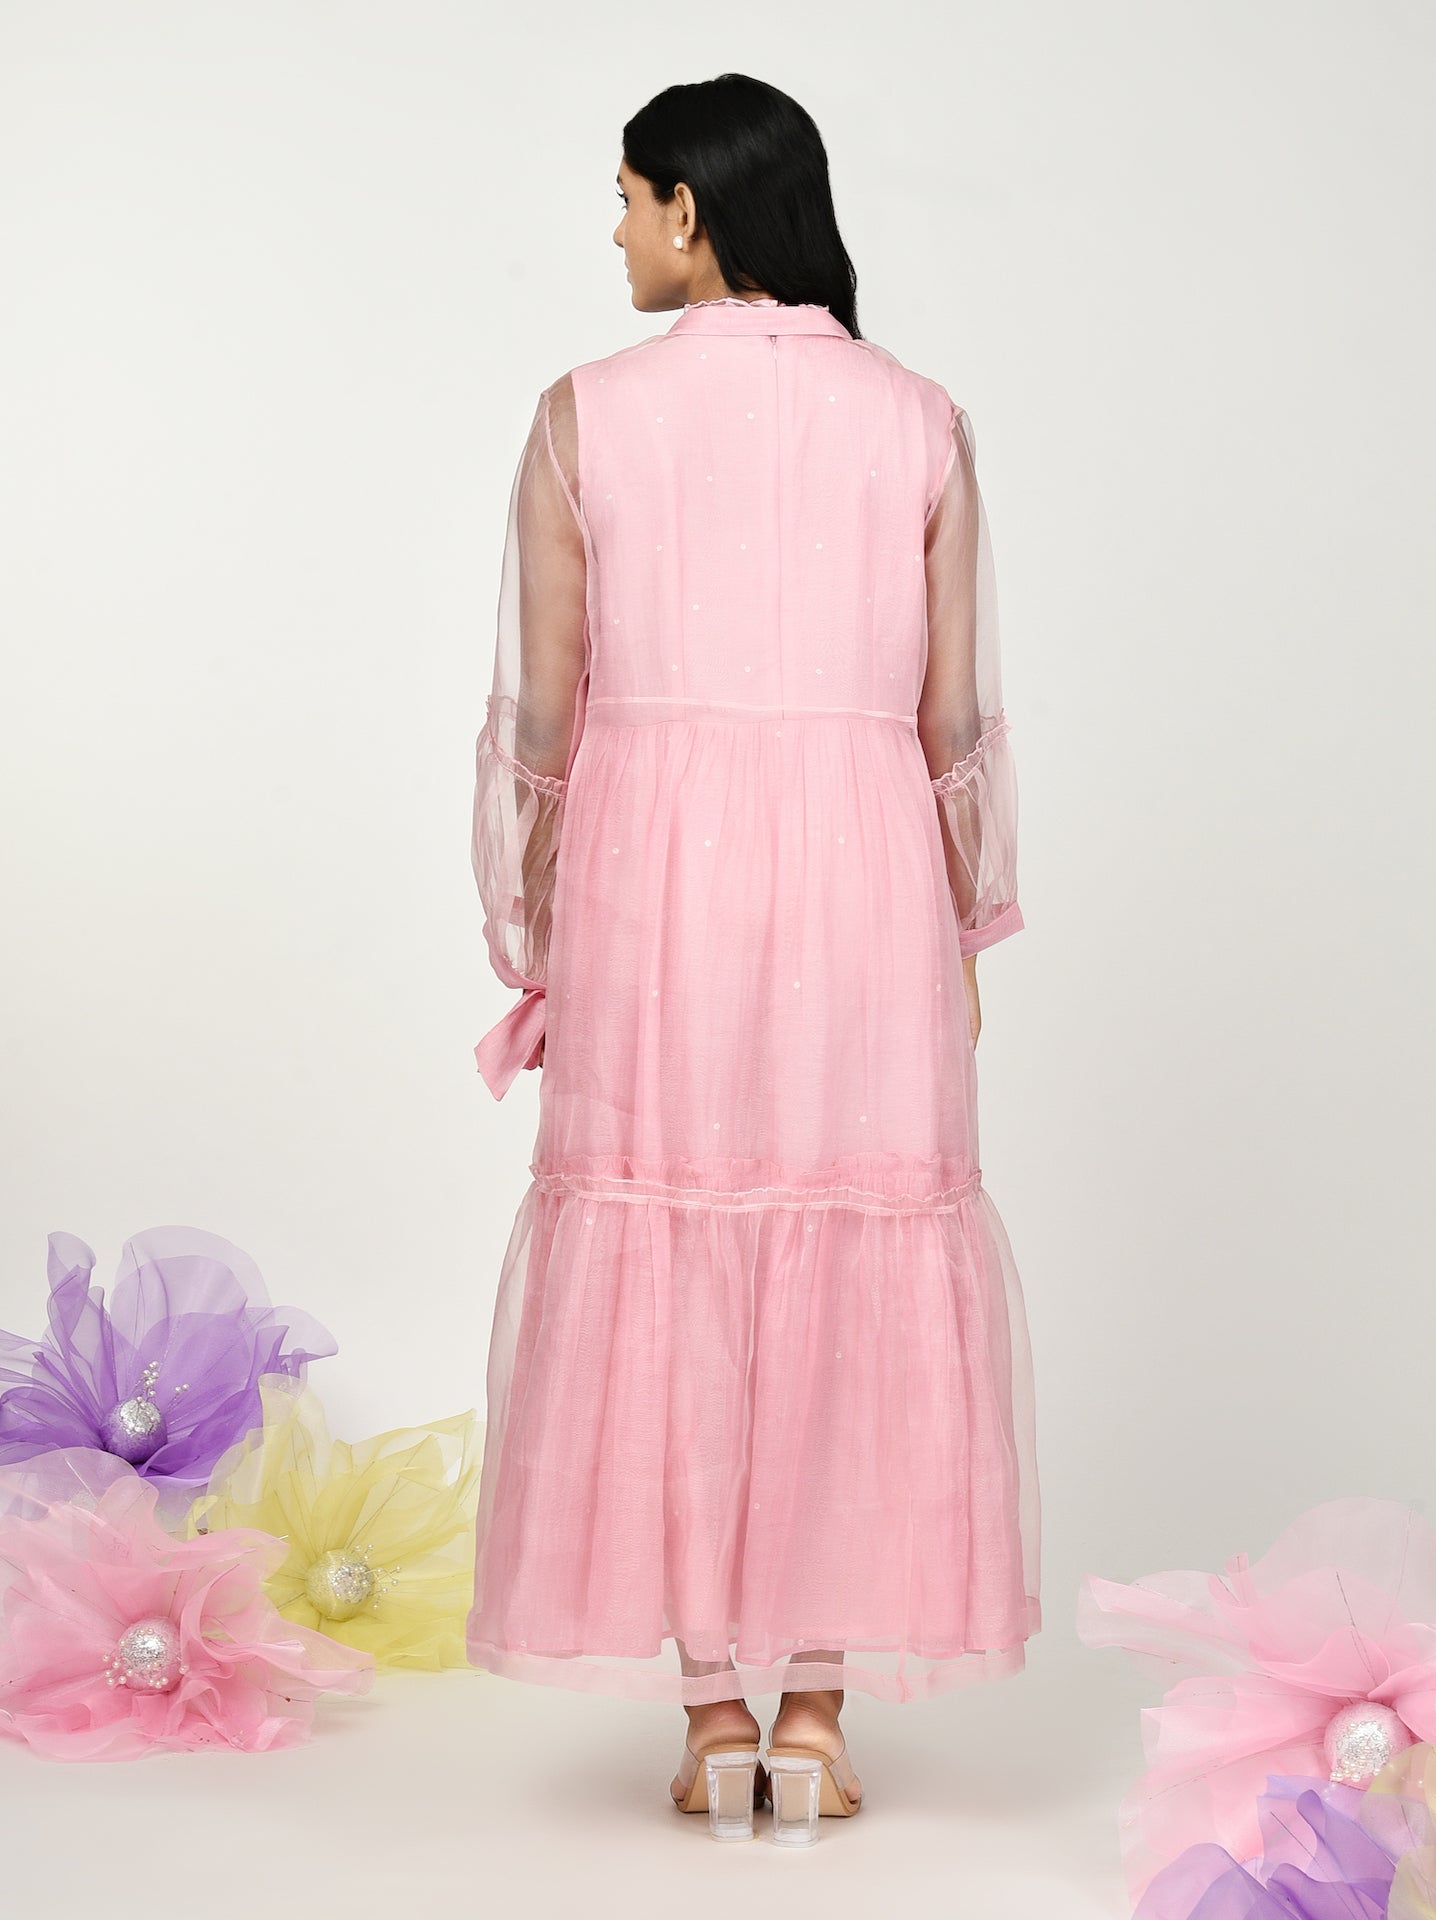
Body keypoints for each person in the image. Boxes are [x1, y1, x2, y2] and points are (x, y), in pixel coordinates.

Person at [464, 73, 1040, 1823]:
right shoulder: (920, 419)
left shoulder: (586, 414)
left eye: (629, 196)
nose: (616, 229)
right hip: (865, 878)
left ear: (693, 210)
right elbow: (953, 723)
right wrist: (960, 929)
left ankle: (712, 1715)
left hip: (655, 882)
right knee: (849, 1263)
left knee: (673, 1259)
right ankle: (818, 1716)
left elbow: (543, 718)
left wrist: (537, 926)